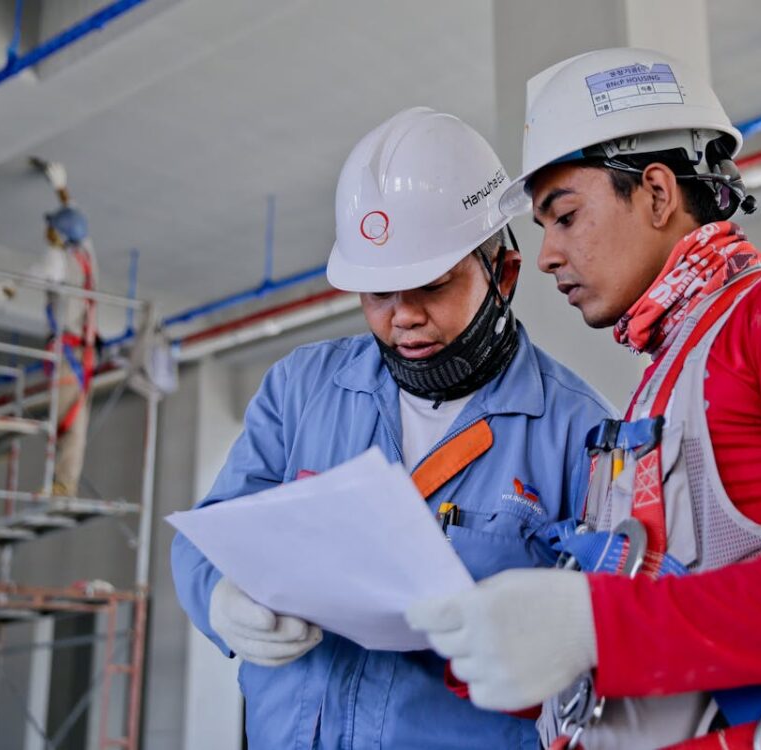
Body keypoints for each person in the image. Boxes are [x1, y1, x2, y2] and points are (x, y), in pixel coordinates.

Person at [406, 49, 761, 750]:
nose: (545, 256)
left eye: (564, 216)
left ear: (658, 193)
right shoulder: (663, 385)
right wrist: (510, 641)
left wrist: (598, 627)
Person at [170, 107, 613, 749]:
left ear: (504, 274)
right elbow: (211, 531)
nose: (402, 316)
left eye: (431, 287)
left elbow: (605, 643)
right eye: (377, 293)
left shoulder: (578, 432)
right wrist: (220, 600)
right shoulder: (300, 390)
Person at [0, 159, 99, 497]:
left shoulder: (58, 261)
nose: (47, 231)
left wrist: (11, 286)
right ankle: (63, 483)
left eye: (52, 228)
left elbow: (39, 269)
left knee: (65, 421)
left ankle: (61, 484)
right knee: (74, 419)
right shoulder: (85, 253)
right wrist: (61, 189)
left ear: (58, 235)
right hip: (81, 351)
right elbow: (75, 218)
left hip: (67, 354)